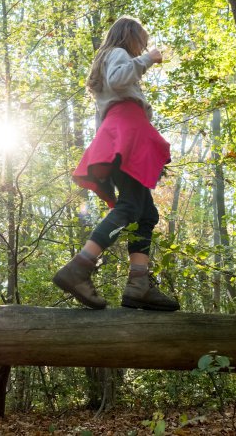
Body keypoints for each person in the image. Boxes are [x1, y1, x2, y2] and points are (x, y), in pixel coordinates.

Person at [53, 16, 179, 311]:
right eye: (141, 42)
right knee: (131, 207)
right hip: (128, 133)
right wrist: (149, 58)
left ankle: (138, 284)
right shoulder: (119, 54)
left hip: (119, 134)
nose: (143, 48)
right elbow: (120, 78)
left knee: (145, 214)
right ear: (129, 35)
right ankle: (80, 267)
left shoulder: (106, 60)